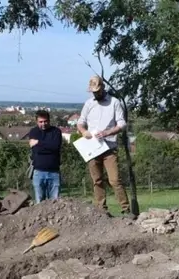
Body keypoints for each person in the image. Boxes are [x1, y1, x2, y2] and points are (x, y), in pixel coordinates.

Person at [76, 75, 131, 216]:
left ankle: (125, 209)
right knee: (97, 180)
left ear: (103, 88)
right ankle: (101, 210)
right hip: (92, 147)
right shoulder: (88, 104)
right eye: (94, 92)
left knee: (114, 180)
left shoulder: (114, 102)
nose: (96, 94)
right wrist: (83, 131)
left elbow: (122, 124)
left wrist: (107, 132)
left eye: (98, 91)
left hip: (109, 147)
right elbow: (80, 122)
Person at [28, 110, 63, 203]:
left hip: (54, 172)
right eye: (41, 122)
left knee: (55, 202)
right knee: (39, 202)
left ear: (49, 121)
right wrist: (48, 146)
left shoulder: (56, 132)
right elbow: (36, 150)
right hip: (38, 172)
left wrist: (39, 142)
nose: (43, 124)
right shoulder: (33, 132)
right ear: (37, 122)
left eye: (45, 121)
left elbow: (55, 147)